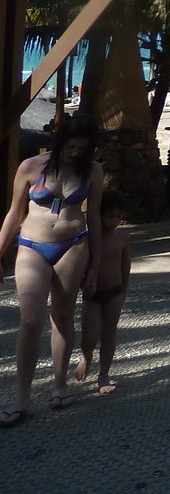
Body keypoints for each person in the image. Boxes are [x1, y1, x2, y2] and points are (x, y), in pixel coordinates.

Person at [0, 113, 103, 424]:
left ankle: (59, 384)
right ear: (60, 142)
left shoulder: (93, 171)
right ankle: (22, 397)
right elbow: (14, 214)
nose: (75, 153)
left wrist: (95, 265)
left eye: (82, 148)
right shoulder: (30, 167)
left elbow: (94, 219)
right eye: (71, 147)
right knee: (30, 320)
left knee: (62, 316)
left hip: (73, 245)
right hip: (32, 245)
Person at [75, 189, 130, 397]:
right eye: (109, 216)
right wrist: (82, 282)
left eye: (118, 216)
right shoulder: (89, 239)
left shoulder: (124, 238)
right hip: (94, 295)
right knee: (89, 336)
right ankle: (86, 356)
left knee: (109, 334)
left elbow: (126, 266)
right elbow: (81, 265)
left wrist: (124, 289)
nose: (114, 221)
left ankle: (103, 375)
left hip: (114, 292)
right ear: (98, 215)